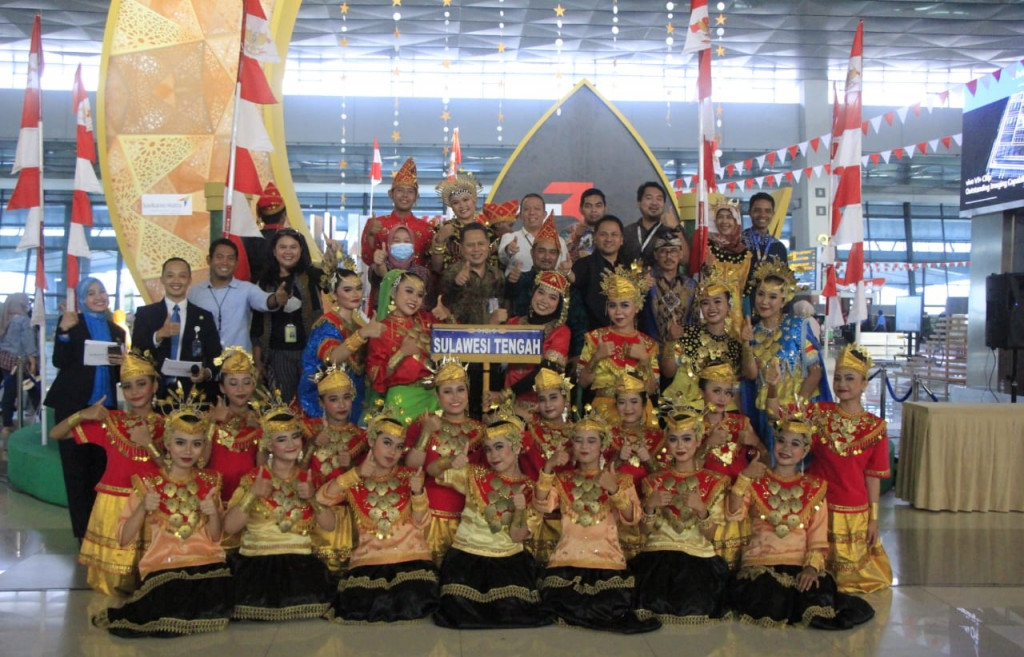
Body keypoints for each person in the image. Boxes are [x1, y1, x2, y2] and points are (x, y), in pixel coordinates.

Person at [725, 408, 875, 629]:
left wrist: (812, 568)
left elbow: (817, 538)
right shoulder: (756, 481)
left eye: (795, 444)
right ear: (774, 443)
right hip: (761, 563)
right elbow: (733, 513)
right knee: (767, 599)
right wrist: (744, 478)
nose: (786, 448)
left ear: (805, 451)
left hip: (798, 563)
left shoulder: (814, 488)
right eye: (782, 441)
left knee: (813, 597)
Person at [92, 402, 231, 638]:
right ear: (167, 444)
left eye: (196, 444)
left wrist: (213, 513)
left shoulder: (210, 481)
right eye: (180, 443)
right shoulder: (148, 483)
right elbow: (124, 538)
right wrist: (143, 509)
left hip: (206, 564)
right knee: (166, 606)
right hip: (166, 565)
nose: (188, 451)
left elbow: (216, 537)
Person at [767, 345, 893, 594]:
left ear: (864, 383)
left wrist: (874, 518)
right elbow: (775, 414)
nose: (842, 384)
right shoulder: (818, 414)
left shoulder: (875, 427)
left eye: (849, 378)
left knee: (849, 581)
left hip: (853, 509)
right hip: (816, 505)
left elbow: (873, 476)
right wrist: (772, 387)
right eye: (837, 378)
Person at [48, 351, 164, 596]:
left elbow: (173, 469)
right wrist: (82, 414)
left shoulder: (168, 425)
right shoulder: (112, 421)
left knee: (151, 579)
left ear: (155, 385)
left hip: (152, 503)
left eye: (142, 384)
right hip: (113, 505)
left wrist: (149, 444)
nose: (135, 392)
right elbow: (56, 434)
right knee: (112, 586)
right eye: (128, 386)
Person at [534, 412, 660, 633]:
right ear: (571, 444)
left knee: (607, 606)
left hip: (607, 562)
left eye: (591, 440)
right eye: (578, 440)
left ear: (603, 444)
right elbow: (543, 505)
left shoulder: (621, 480)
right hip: (567, 562)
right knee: (560, 603)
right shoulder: (562, 480)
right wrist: (547, 469)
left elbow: (633, 518)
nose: (584, 446)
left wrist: (614, 489)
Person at [432, 407, 551, 629]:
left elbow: (518, 537)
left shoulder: (529, 489)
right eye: (488, 449)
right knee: (459, 613)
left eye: (499, 447)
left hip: (508, 560)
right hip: (466, 558)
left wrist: (520, 510)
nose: (493, 455)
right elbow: (436, 473)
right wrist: (450, 461)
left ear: (516, 447)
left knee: (514, 612)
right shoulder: (474, 474)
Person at [316, 411, 438, 623]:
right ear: (372, 441)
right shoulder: (355, 479)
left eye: (399, 446)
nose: (393, 452)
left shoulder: (409, 476)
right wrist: (356, 474)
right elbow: (322, 498)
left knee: (411, 599)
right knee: (361, 604)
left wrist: (418, 493)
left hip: (410, 559)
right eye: (387, 443)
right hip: (368, 562)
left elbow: (421, 522)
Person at [222, 401, 335, 621]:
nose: (291, 444)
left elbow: (330, 525)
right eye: (282, 439)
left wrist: (312, 497)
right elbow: (229, 527)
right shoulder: (253, 478)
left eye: (295, 437)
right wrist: (252, 495)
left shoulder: (309, 479)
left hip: (300, 563)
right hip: (257, 564)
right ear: (269, 445)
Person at [45, 278, 127, 542]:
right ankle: (83, 535)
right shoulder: (73, 325)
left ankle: (101, 530)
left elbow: (119, 374)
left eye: (102, 291)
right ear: (82, 299)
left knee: (101, 471)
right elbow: (59, 360)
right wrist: (64, 333)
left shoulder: (117, 331)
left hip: (105, 410)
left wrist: (123, 363)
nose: (98, 296)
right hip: (74, 407)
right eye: (91, 293)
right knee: (76, 473)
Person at [631, 404, 730, 624]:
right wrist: (649, 506)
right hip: (658, 552)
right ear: (667, 441)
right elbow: (645, 530)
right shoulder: (653, 480)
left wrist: (701, 509)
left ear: (698, 440)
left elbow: (712, 535)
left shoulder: (715, 481)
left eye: (686, 439)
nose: (680, 445)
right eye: (674, 439)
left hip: (697, 554)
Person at [404, 357, 486, 564]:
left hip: (468, 519)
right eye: (447, 391)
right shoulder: (426, 422)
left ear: (468, 392)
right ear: (437, 395)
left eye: (460, 389)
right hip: (429, 515)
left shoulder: (481, 431)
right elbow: (412, 466)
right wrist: (426, 433)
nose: (455, 397)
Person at [744, 259, 830, 451]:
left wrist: (797, 410)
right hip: (766, 413)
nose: (764, 302)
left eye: (773, 297)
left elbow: (815, 372)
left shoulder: (798, 327)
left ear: (784, 300)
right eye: (761, 294)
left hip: (796, 413)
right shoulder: (752, 332)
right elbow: (751, 377)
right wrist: (745, 343)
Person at [297, 266, 382, 424]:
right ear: (334, 294)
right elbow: (332, 358)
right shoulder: (327, 324)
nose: (355, 294)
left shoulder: (358, 323)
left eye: (358, 288)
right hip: (330, 399)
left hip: (355, 397)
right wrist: (362, 334)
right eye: (348, 290)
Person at [250, 229, 327, 403]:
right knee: (283, 405)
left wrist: (331, 255)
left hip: (310, 351)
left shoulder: (311, 275)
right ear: (274, 251)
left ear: (301, 250)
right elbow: (257, 323)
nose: (288, 251)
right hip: (278, 354)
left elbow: (332, 284)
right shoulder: (263, 281)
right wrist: (257, 361)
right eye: (283, 247)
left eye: (293, 247)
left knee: (310, 402)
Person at [303, 365, 367, 573]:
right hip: (311, 512)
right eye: (333, 399)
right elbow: (294, 471)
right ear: (321, 402)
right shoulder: (307, 429)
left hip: (346, 517)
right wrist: (312, 444)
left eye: (346, 397)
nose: (341, 405)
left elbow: (365, 483)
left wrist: (349, 465)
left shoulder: (361, 437)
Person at [132, 258, 222, 402]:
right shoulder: (146, 314)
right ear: (162, 279)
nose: (176, 281)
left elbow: (217, 356)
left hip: (193, 395)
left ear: (189, 280)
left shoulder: (204, 317)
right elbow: (135, 353)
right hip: (154, 393)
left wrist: (206, 373)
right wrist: (158, 335)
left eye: (182, 276)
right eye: (170, 275)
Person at [661, 272, 757, 407]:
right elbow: (668, 372)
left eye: (717, 301)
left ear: (729, 306)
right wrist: (670, 341)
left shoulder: (734, 345)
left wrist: (746, 344)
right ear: (701, 307)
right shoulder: (686, 334)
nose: (712, 308)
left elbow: (751, 375)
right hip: (684, 412)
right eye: (705, 303)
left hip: (720, 414)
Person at [366, 270, 450, 425]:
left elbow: (455, 346)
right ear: (393, 292)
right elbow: (375, 375)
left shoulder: (427, 319)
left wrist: (447, 317)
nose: (414, 299)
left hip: (432, 398)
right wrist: (401, 353)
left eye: (419, 295)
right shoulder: (381, 329)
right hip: (401, 400)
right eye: (409, 291)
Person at [576, 264, 659, 418]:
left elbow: (651, 390)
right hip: (603, 414)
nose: (618, 312)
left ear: (637, 306)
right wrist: (596, 357)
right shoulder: (595, 338)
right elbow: (582, 383)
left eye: (625, 305)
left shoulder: (648, 344)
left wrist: (645, 360)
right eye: (613, 306)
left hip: (639, 415)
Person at [188, 238, 288, 352]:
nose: (225, 262)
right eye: (219, 257)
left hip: (239, 363)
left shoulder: (246, 289)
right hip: (205, 361)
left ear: (236, 263)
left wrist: (276, 298)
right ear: (209, 260)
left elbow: (264, 300)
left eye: (230, 258)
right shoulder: (195, 292)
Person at [518, 368, 573, 564]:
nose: (548, 404)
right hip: (536, 514)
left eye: (553, 397)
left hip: (568, 517)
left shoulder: (578, 433)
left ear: (565, 399)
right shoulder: (529, 429)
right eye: (542, 399)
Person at [609, 370, 666, 559]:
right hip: (616, 514)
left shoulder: (658, 436)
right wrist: (617, 460)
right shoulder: (606, 435)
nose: (628, 408)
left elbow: (668, 478)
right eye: (622, 402)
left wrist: (648, 460)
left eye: (634, 402)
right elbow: (597, 475)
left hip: (650, 513)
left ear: (644, 404)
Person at [504, 270, 571, 405]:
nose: (544, 300)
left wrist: (507, 394)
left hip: (541, 405)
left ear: (560, 304)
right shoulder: (513, 323)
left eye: (553, 297)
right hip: (508, 402)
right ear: (532, 293)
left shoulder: (560, 332)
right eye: (540, 292)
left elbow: (546, 370)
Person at [207, 347, 261, 505]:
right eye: (233, 383)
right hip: (213, 500)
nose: (240, 389)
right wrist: (212, 423)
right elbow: (200, 462)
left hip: (247, 502)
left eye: (246, 382)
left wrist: (261, 431)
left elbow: (263, 467)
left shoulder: (261, 422)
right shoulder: (208, 419)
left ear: (253, 385)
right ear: (222, 388)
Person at [360, 157, 433, 270]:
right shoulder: (375, 224)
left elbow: (432, 267)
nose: (405, 195)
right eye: (400, 190)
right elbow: (367, 260)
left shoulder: (427, 229)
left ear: (416, 197)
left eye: (410, 191)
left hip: (417, 285)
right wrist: (370, 235)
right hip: (383, 285)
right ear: (390, 194)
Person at [506, 212, 572, 317]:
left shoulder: (565, 285)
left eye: (552, 252)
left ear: (558, 256)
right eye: (541, 251)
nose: (547, 257)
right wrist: (511, 282)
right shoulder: (520, 279)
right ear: (532, 253)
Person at [571, 215, 629, 332]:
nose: (609, 239)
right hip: (592, 337)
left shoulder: (630, 267)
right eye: (604, 234)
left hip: (625, 336)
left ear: (621, 240)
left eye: (614, 235)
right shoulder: (582, 266)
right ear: (595, 238)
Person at [705, 199, 753, 340]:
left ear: (736, 220)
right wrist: (706, 268)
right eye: (720, 217)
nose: (724, 221)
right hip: (711, 312)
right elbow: (699, 283)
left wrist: (747, 320)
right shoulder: (707, 249)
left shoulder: (745, 255)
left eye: (729, 217)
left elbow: (745, 293)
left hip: (736, 317)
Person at [641, 227, 697, 348]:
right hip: (651, 349)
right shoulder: (647, 282)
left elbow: (694, 319)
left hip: (682, 351)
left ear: (681, 254)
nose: (669, 256)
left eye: (673, 251)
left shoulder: (690, 285)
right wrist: (640, 290)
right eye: (663, 251)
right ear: (655, 255)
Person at [431, 174, 493, 273]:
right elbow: (436, 268)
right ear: (451, 207)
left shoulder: (489, 232)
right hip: (451, 283)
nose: (462, 205)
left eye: (465, 200)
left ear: (474, 201)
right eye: (456, 202)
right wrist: (440, 241)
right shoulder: (442, 229)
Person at [369, 224, 436, 313]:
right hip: (386, 321)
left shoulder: (423, 273)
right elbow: (381, 275)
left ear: (413, 245)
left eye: (407, 241)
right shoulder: (378, 266)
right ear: (389, 244)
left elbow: (429, 303)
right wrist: (379, 265)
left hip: (417, 322)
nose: (402, 244)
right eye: (396, 241)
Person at [498, 194, 569, 275]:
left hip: (549, 286)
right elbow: (502, 259)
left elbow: (564, 268)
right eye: (526, 209)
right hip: (517, 285)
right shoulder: (509, 238)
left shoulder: (559, 241)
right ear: (520, 215)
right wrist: (508, 250)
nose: (532, 212)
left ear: (544, 214)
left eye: (537, 209)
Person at [0, 293, 38, 436]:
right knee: (33, 388)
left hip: (5, 360)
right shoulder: (23, 320)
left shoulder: (6, 318)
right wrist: (33, 358)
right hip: (19, 361)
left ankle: (7, 423)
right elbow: (27, 341)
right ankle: (43, 417)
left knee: (9, 392)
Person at [621, 181, 684, 268]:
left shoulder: (673, 230)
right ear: (639, 202)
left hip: (664, 281)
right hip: (630, 280)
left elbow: (686, 261)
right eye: (649, 198)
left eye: (659, 199)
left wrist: (675, 228)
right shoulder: (627, 232)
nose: (654, 203)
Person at [742, 192, 788, 267]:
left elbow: (785, 277)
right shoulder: (738, 243)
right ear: (749, 212)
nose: (762, 215)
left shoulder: (779, 247)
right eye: (757, 210)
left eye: (767, 211)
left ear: (773, 214)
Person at [567, 188, 607, 262]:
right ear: (580, 209)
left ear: (605, 209)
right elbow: (560, 258)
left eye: (598, 206)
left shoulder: (613, 232)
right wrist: (576, 237)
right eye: (588, 206)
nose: (593, 210)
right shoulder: (570, 231)